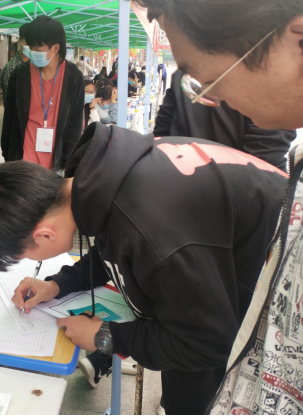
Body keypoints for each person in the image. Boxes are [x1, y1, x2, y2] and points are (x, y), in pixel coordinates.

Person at [0, 123, 288, 415]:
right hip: (224, 277)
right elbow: (115, 250)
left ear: (44, 235)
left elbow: (206, 342)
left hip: (279, 290)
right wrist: (57, 284)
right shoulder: (101, 182)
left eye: (28, 255)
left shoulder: (150, 226)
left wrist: (105, 337)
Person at [130, 1, 303, 414]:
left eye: (211, 79)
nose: (212, 95)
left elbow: (264, 157)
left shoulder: (269, 174)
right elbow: (161, 132)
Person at [155, 69, 295, 171]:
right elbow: (267, 163)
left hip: (179, 182)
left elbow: (160, 137)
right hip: (238, 193)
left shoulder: (184, 72)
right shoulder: (269, 76)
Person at [1, 16, 84, 172]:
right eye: (31, 48)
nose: (32, 53)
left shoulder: (73, 78)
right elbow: (9, 117)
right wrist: (7, 155)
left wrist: (69, 163)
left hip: (56, 166)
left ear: (55, 48)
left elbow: (75, 124)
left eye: (37, 50)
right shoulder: (20, 75)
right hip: (23, 162)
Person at [1, 23, 31, 106]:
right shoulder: (12, 68)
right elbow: (10, 102)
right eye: (27, 42)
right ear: (19, 42)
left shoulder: (34, 64)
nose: (31, 46)